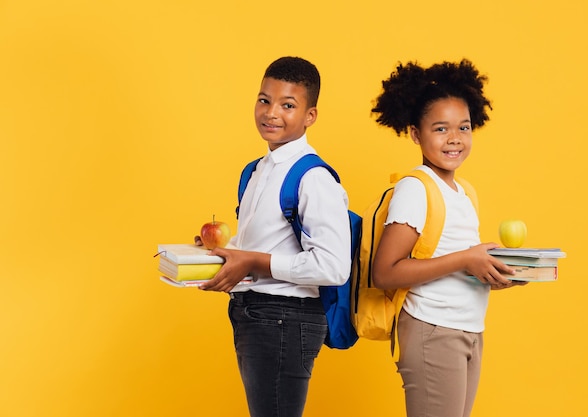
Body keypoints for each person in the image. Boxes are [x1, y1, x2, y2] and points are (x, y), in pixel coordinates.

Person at [196, 56, 352, 417]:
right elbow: (259, 246)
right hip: (255, 313)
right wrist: (222, 252)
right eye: (264, 100)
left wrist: (252, 261)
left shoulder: (314, 178)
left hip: (286, 318)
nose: (271, 113)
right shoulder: (255, 170)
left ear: (310, 116)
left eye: (288, 105)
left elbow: (333, 266)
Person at [370, 59, 525, 417]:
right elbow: (386, 272)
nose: (454, 138)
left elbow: (456, 260)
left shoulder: (463, 191)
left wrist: (492, 272)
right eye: (441, 129)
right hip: (433, 329)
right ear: (414, 134)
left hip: (468, 328)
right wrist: (466, 259)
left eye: (464, 127)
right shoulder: (415, 187)